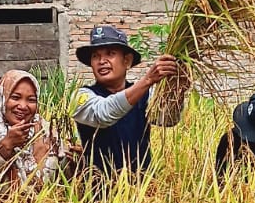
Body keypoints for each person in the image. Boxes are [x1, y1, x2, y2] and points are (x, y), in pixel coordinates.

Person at [72, 24, 183, 182]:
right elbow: (104, 114)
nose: (101, 61)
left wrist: (177, 90)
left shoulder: (145, 95)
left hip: (143, 194)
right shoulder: (82, 97)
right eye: (95, 56)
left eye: (110, 54)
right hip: (100, 196)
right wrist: (148, 80)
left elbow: (167, 119)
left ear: (127, 61)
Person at [0, 70, 74, 190]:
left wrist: (76, 163)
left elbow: (64, 183)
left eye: (31, 100)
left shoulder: (47, 133)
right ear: (2, 98)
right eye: (15, 97)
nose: (23, 106)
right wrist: (4, 148)